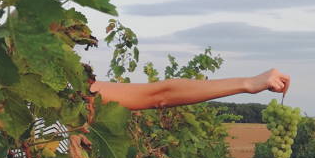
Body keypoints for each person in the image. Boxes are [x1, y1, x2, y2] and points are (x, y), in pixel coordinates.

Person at [90, 67, 290, 110]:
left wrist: (248, 83)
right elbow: (160, 95)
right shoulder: (66, 90)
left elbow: (161, 94)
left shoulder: (69, 89)